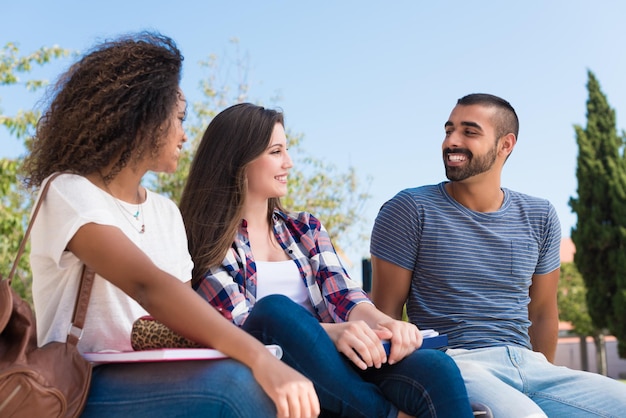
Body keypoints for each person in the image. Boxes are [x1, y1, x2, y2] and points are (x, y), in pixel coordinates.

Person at [22, 32, 320, 418]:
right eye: (179, 118)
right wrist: (261, 359)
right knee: (237, 390)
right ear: (142, 116)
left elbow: (181, 317)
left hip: (158, 372)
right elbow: (148, 286)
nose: (184, 134)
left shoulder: (165, 212)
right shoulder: (67, 192)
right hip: (83, 382)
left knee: (249, 369)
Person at [178, 102, 475, 418]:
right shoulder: (210, 239)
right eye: (276, 152)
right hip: (276, 367)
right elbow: (238, 325)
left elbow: (345, 299)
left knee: (435, 366)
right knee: (275, 310)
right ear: (239, 158)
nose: (289, 163)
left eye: (286, 151)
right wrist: (329, 334)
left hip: (338, 365)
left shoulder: (304, 227)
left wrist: (387, 324)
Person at [369, 93, 626, 417]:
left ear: (506, 145)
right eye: (449, 130)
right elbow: (383, 315)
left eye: (469, 132)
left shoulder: (540, 215)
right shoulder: (410, 209)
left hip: (531, 365)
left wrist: (542, 377)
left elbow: (544, 312)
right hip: (455, 363)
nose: (452, 141)